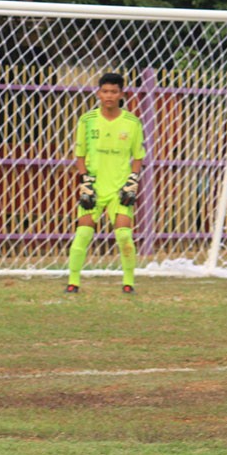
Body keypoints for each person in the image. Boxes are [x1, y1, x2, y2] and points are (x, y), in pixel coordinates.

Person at [65, 72, 146, 294]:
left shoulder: (132, 123)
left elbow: (138, 157)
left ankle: (128, 283)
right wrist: (85, 181)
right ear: (98, 93)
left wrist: (132, 181)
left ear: (121, 94)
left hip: (119, 188)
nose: (109, 95)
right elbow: (80, 155)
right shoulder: (87, 120)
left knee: (124, 235)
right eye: (105, 91)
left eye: (113, 91)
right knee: (83, 233)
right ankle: (73, 282)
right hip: (94, 186)